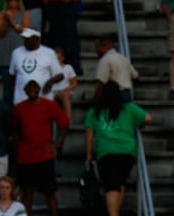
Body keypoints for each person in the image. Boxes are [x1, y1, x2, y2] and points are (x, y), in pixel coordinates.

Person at [83, 81, 149, 216]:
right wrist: (138, 125)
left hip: (107, 152)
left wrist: (88, 154)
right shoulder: (128, 108)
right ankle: (115, 212)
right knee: (119, 183)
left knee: (111, 186)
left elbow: (89, 135)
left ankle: (113, 214)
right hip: (127, 151)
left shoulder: (94, 112)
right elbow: (147, 118)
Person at [11, 79, 68, 216]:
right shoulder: (19, 108)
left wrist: (58, 141)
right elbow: (13, 129)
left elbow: (64, 123)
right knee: (27, 193)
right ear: (25, 91)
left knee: (50, 192)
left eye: (35, 88)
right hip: (25, 157)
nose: (32, 92)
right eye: (29, 89)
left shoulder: (50, 105)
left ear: (39, 90)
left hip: (44, 156)